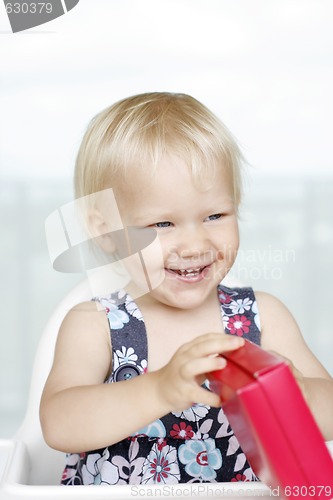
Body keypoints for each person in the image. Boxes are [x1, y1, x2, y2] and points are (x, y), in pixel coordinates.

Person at [40, 92, 333, 486]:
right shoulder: (94, 324)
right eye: (162, 224)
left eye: (215, 215)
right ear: (106, 230)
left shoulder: (263, 317)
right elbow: (59, 425)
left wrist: (302, 398)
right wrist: (158, 390)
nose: (194, 245)